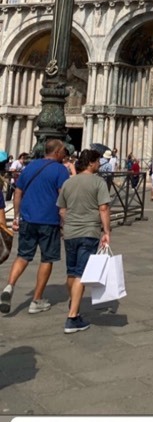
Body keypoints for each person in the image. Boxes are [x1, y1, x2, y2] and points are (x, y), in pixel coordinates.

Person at [0, 139, 70, 315]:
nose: (65, 154)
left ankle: (9, 286)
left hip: (28, 219)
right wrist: (64, 222)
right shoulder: (61, 170)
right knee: (47, 258)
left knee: (23, 255)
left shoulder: (30, 167)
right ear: (57, 152)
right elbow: (63, 198)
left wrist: (17, 216)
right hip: (49, 221)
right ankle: (36, 300)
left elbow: (18, 192)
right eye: (63, 151)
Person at [56, 149, 111, 334]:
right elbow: (103, 208)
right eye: (97, 162)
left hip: (70, 232)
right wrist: (106, 231)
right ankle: (72, 317)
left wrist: (67, 224)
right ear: (91, 163)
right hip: (89, 232)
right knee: (81, 273)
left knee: (71, 272)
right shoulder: (98, 182)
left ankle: (74, 301)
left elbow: (62, 209)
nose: (99, 165)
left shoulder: (68, 182)